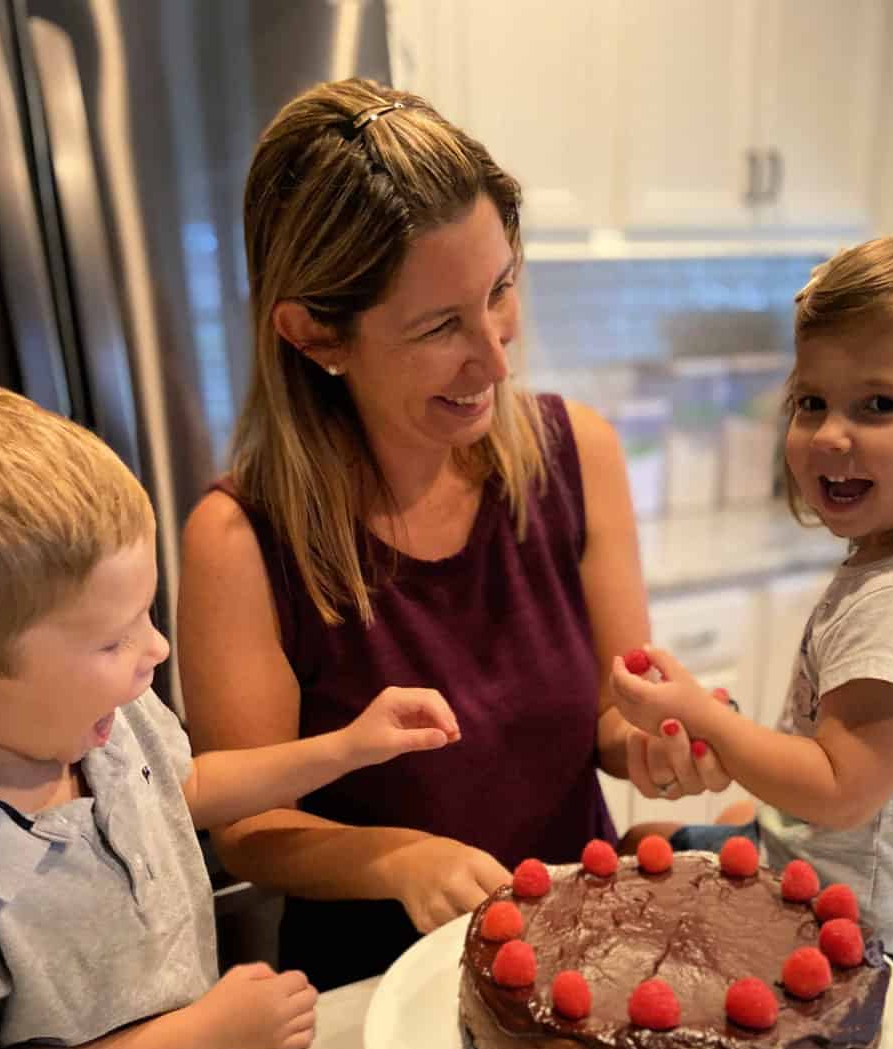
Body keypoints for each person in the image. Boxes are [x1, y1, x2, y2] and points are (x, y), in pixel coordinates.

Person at [176, 79, 665, 991]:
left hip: (581, 966)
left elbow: (610, 718)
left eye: (501, 290)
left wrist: (656, 746)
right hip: (378, 990)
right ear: (315, 332)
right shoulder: (239, 541)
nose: (495, 354)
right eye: (441, 325)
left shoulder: (579, 455)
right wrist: (400, 859)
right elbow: (249, 826)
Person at [0, 372, 460, 1049]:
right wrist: (198, 1034)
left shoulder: (104, 716)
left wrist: (343, 749)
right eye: (113, 639)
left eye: (145, 614)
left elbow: (185, 786)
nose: (157, 648)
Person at [612, 219, 893, 970]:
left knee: (639, 871)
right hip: (891, 894)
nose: (826, 434)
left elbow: (842, 790)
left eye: (879, 405)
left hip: (851, 926)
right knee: (674, 836)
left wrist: (701, 722)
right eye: (811, 400)